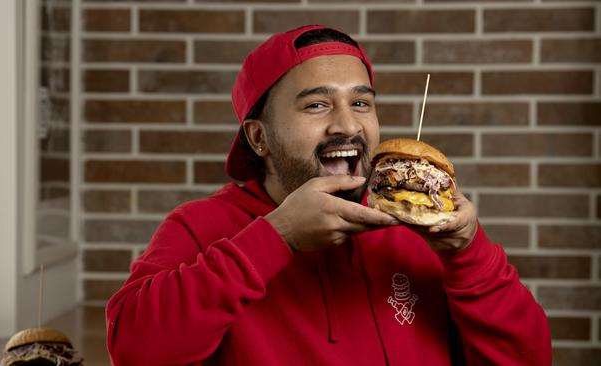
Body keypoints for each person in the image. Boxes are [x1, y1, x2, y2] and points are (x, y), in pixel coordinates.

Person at [106, 25, 551, 365]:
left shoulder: (427, 229)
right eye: (316, 105)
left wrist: (468, 254)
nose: (347, 126)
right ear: (259, 138)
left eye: (361, 103)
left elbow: (528, 358)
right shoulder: (200, 226)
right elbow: (135, 350)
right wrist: (276, 237)